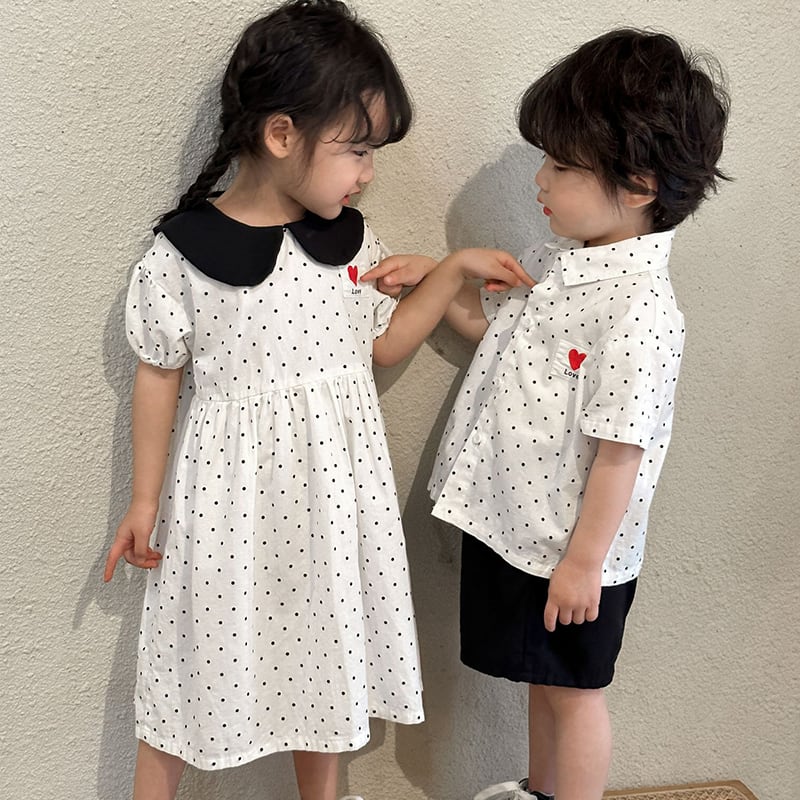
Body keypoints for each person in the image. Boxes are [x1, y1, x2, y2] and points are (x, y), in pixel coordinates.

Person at [102, 2, 532, 800]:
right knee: (188, 664)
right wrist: (142, 500)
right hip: (228, 504)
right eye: (357, 150)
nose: (368, 172)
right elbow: (158, 372)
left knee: (325, 661)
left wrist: (448, 270)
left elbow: (381, 348)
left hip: (333, 503)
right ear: (280, 134)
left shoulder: (349, 242)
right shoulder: (184, 253)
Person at [366, 28, 729, 800]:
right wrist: (438, 278)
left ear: (638, 183)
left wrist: (584, 564)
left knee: (574, 693)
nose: (541, 179)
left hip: (572, 548)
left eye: (562, 166)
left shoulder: (639, 310)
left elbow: (622, 450)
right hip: (523, 527)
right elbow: (500, 333)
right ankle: (542, 789)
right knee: (542, 679)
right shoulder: (563, 259)